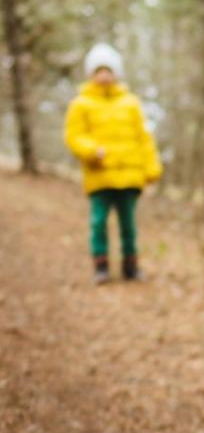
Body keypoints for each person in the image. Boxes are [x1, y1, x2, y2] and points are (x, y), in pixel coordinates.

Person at [64, 42, 162, 284]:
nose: (104, 75)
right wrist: (90, 150)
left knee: (128, 224)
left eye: (108, 70)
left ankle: (131, 266)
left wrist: (152, 168)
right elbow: (73, 136)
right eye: (99, 70)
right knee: (98, 222)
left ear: (116, 73)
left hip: (129, 176)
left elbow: (144, 138)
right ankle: (101, 266)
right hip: (100, 175)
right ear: (91, 74)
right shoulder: (81, 104)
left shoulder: (131, 102)